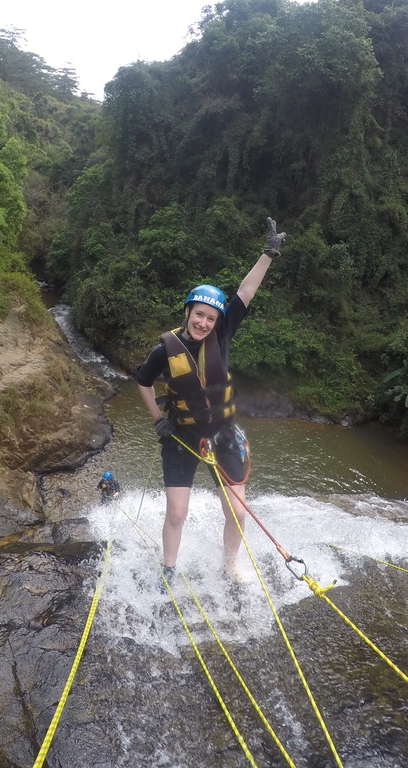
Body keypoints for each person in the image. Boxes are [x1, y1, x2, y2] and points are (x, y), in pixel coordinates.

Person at [136, 216, 286, 584]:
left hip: (222, 431)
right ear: (187, 312)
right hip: (181, 435)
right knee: (176, 512)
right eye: (198, 314)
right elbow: (142, 381)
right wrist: (158, 418)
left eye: (210, 317)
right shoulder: (164, 350)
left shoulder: (223, 333)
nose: (203, 322)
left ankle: (230, 563)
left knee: (237, 511)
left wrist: (268, 253)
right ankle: (169, 569)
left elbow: (246, 291)